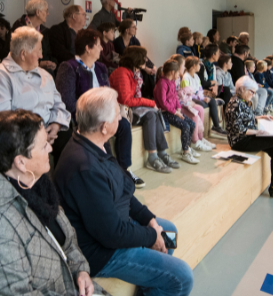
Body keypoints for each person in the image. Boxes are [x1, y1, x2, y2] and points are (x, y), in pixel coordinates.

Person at [54, 88, 194, 296]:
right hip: (101, 251)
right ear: (104, 127)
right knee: (182, 277)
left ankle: (148, 288)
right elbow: (112, 234)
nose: (121, 116)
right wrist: (150, 236)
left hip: (115, 228)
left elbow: (123, 191)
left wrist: (150, 220)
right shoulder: (84, 167)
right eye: (117, 113)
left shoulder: (96, 143)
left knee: (169, 232)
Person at [0, 110, 100, 296]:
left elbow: (67, 239)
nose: (50, 149)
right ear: (21, 162)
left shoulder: (35, 182)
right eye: (43, 145)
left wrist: (81, 270)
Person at [55, 28, 144, 188]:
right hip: (83, 118)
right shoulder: (69, 67)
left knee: (123, 125)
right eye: (98, 45)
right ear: (88, 48)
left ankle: (124, 169)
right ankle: (109, 177)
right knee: (102, 132)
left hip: (103, 115)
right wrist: (94, 114)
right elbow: (67, 101)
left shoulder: (100, 68)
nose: (102, 48)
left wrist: (113, 111)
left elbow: (109, 94)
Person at [0, 26, 71, 164]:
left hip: (49, 133)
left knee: (70, 138)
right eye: (39, 51)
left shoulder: (46, 75)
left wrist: (57, 124)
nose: (42, 56)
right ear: (23, 54)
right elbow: (2, 122)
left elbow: (59, 106)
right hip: (20, 141)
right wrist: (38, 137)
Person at [109, 46, 178, 174]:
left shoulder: (134, 73)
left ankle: (161, 153)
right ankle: (152, 157)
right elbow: (126, 101)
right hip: (122, 112)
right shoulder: (122, 73)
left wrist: (150, 105)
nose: (146, 60)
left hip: (131, 109)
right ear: (136, 58)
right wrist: (150, 103)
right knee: (151, 114)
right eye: (144, 57)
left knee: (154, 113)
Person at [154, 60, 204, 162]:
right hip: (166, 112)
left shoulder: (172, 82)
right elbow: (163, 103)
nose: (179, 74)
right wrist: (175, 112)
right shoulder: (162, 83)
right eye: (178, 72)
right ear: (172, 72)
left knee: (192, 123)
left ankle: (187, 148)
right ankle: (185, 152)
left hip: (174, 111)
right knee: (185, 126)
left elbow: (175, 97)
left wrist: (178, 108)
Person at [172, 54, 212, 152]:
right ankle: (194, 141)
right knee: (194, 115)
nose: (185, 67)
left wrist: (200, 97)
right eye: (183, 64)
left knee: (201, 109)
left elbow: (198, 90)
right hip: (180, 104)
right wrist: (189, 102)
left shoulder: (183, 77)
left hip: (184, 102)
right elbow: (179, 95)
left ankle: (200, 138)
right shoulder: (183, 77)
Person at [11, 0, 57, 73]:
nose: (47, 14)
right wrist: (40, 63)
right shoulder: (18, 28)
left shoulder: (45, 31)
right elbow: (16, 54)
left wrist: (53, 63)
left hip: (43, 72)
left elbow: (49, 52)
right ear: (38, 12)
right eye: (46, 11)